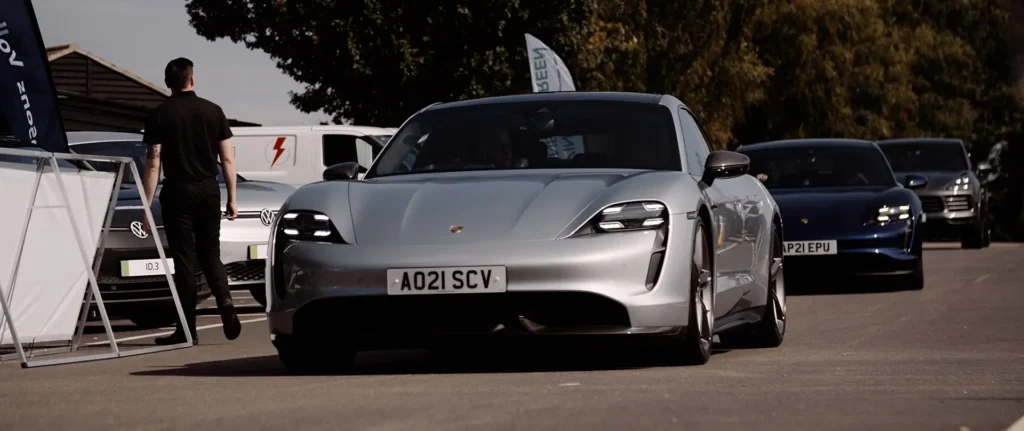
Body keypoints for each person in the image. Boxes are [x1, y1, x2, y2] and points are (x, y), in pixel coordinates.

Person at [140, 57, 241, 345]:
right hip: (209, 189)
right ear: (192, 80)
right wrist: (232, 197)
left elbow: (153, 164)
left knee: (184, 260)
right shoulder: (213, 111)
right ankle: (225, 303)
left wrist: (146, 206)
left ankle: (186, 329)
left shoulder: (159, 114)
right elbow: (228, 159)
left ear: (167, 83)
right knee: (211, 253)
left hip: (178, 192)